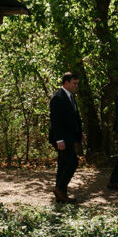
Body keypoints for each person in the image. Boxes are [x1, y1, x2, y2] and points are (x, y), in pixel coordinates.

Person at [48, 72, 84, 203]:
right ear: (66, 83)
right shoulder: (58, 97)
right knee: (72, 162)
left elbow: (75, 118)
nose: (76, 86)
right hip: (60, 139)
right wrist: (59, 140)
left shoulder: (71, 97)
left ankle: (61, 195)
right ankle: (59, 189)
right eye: (74, 83)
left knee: (63, 165)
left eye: (77, 83)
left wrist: (79, 134)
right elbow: (55, 121)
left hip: (69, 137)